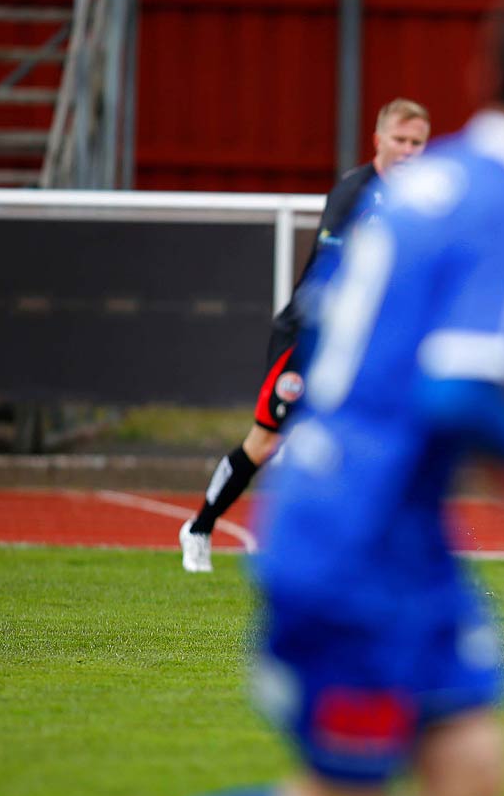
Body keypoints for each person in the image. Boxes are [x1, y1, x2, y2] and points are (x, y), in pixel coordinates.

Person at [0, 0, 504, 796]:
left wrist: (479, 445)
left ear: (482, 73)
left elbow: (391, 358)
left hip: (382, 525)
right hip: (356, 539)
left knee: (472, 773)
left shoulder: (421, 183)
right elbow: (453, 392)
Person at [178, 98, 432, 573]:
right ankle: (199, 527)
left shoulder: (416, 202)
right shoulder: (354, 192)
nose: (409, 151)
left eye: (418, 143)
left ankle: (354, 558)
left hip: (359, 345)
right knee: (266, 442)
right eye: (400, 140)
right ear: (379, 140)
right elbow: (337, 270)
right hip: (309, 337)